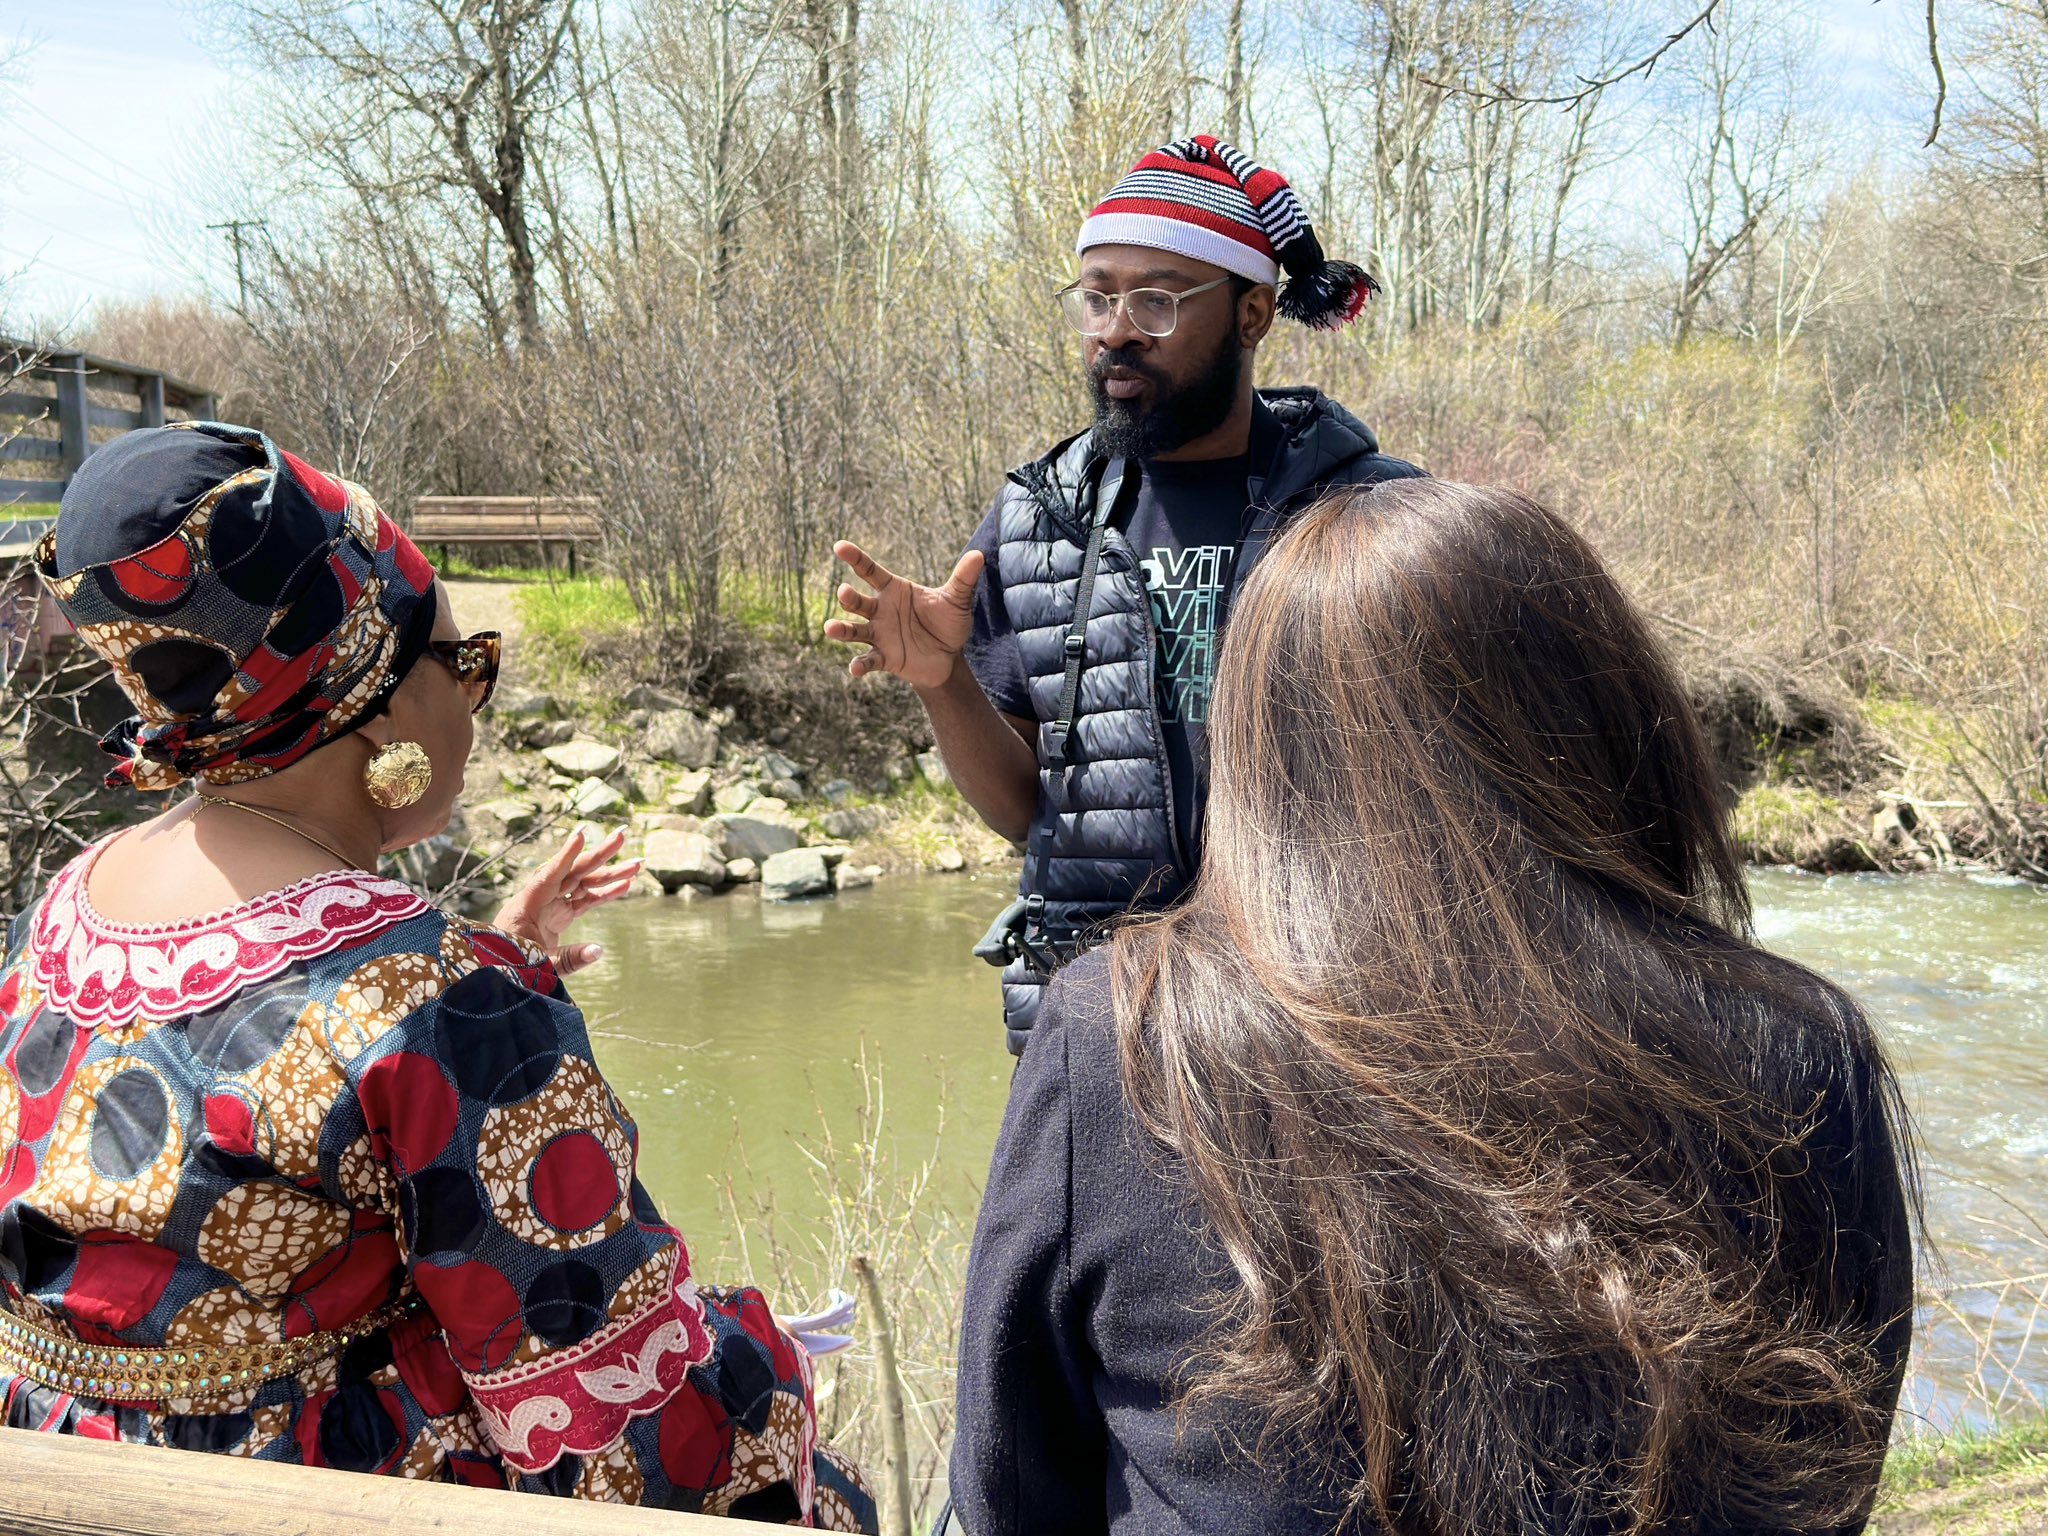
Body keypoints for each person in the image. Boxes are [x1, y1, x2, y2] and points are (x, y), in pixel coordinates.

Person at [948, 480, 1916, 1535]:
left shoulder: (1119, 1039)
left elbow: (1004, 1489)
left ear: (1257, 748)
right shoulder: (1806, 1054)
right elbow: (1828, 1483)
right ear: (1614, 721)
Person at [0, 422, 875, 1528]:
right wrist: (764, 1365)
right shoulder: (433, 1002)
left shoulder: (70, 907)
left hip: (64, 1492)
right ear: (380, 702)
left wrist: (485, 963)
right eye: (464, 664)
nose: (474, 698)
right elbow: (611, 1427)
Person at [827, 134, 1423, 1052]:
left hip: (1324, 1032)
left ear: (1254, 313)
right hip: (1101, 1029)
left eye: (1157, 298)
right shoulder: (1038, 520)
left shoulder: (1374, 517)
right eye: (1098, 295)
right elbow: (1034, 816)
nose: (1116, 328)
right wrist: (941, 680)